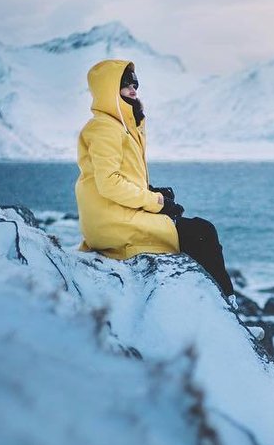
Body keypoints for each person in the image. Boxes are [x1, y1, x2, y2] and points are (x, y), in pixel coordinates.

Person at [75, 58, 236, 301]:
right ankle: (226, 305)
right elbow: (109, 183)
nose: (133, 88)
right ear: (108, 88)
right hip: (112, 222)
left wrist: (152, 191)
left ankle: (209, 301)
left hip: (116, 214)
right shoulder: (104, 128)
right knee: (202, 232)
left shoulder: (122, 126)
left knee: (191, 228)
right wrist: (157, 202)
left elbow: (120, 177)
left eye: (135, 82)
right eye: (125, 82)